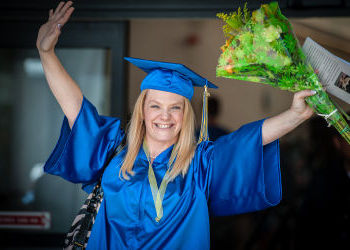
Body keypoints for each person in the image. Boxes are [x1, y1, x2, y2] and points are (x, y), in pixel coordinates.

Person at [37, 1, 316, 249]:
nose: (165, 116)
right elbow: (77, 109)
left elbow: (249, 138)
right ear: (143, 111)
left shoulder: (199, 165)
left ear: (186, 115)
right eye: (155, 106)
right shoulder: (113, 151)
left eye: (175, 108)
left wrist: (295, 115)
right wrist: (46, 53)